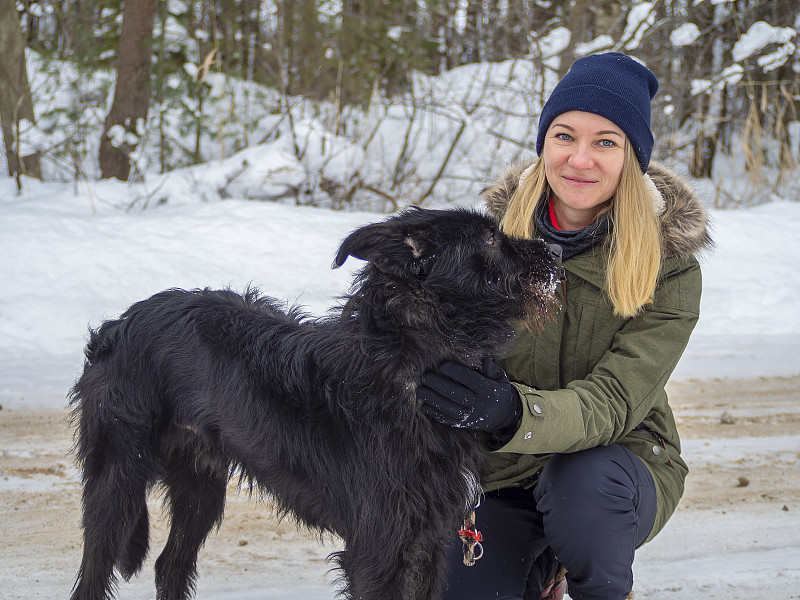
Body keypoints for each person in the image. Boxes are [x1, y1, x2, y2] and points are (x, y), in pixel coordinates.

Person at [418, 52, 713, 600]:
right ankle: (534, 565)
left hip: (616, 466)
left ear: (634, 157)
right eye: (564, 135)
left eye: (605, 141)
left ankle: (595, 582)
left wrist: (512, 410)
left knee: (581, 490)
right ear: (543, 144)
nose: (579, 159)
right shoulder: (486, 246)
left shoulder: (670, 266)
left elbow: (613, 403)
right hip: (503, 469)